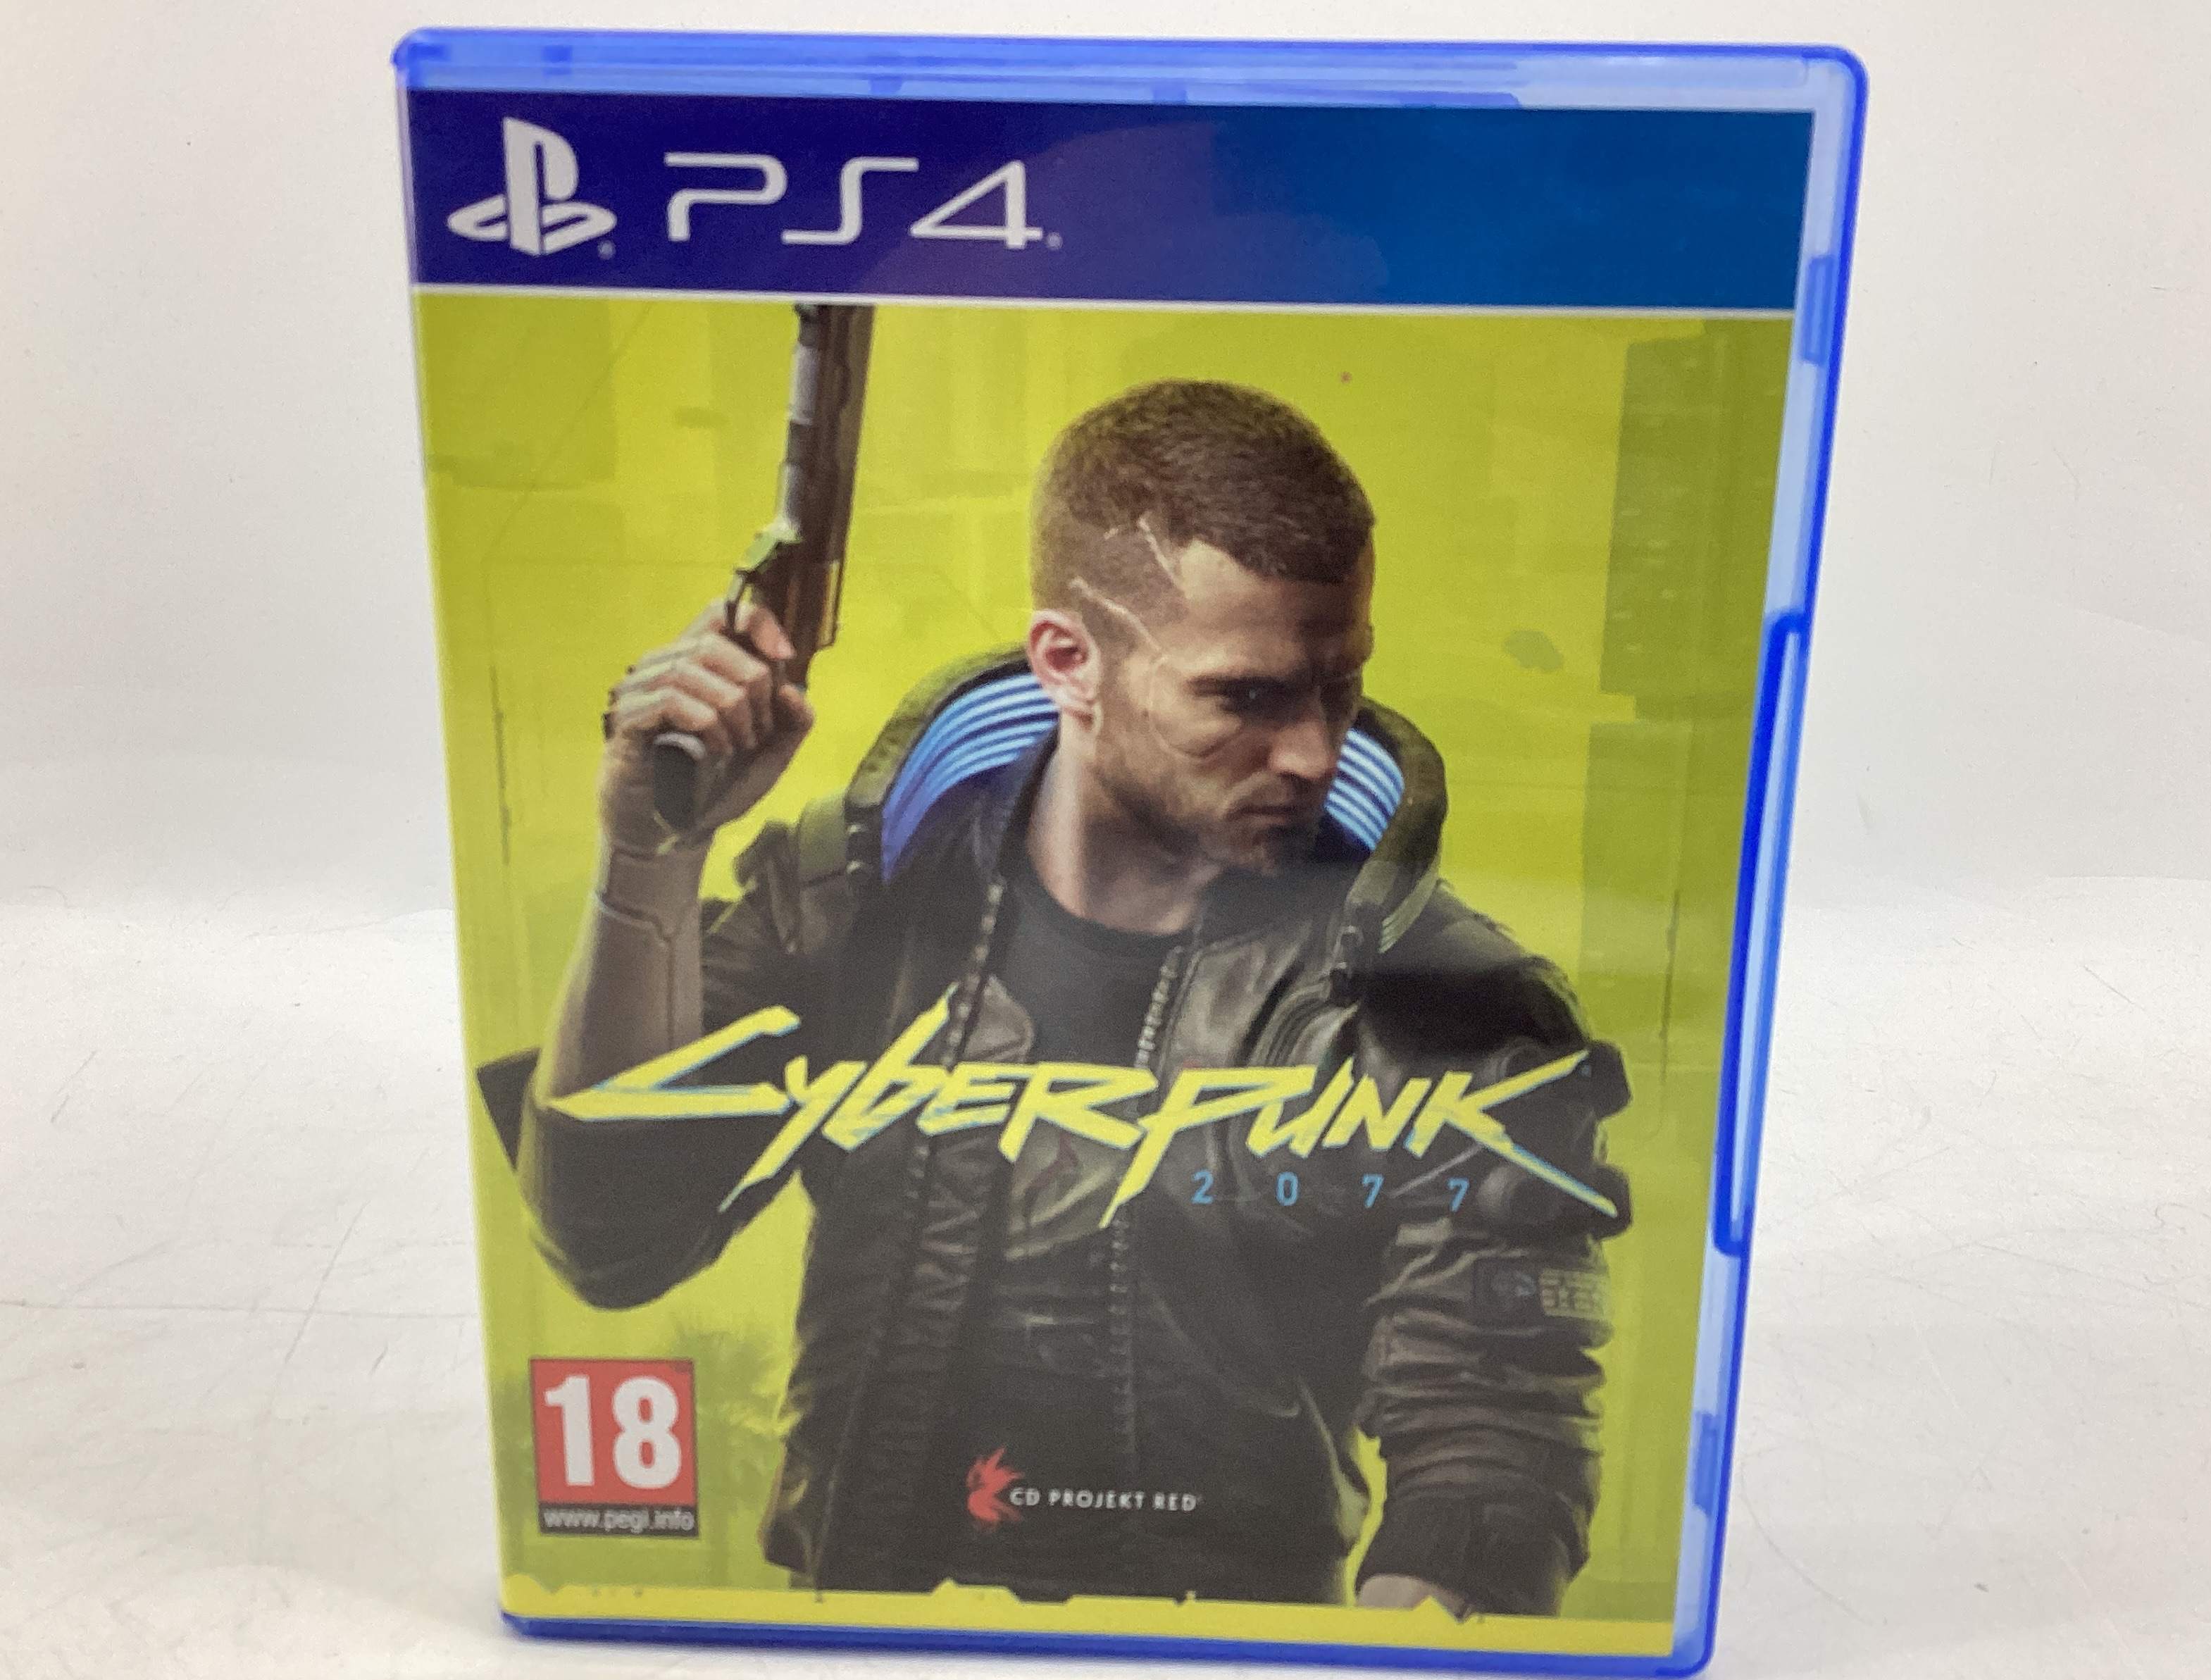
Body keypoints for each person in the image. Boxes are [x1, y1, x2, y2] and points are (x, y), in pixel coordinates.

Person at [506, 378, 1632, 1614]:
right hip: (859, 1635)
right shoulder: (852, 898)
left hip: (1234, 1651)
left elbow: (1493, 1455)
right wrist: (649, 853)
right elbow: (608, 1240)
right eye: (1244, 697)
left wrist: (1359, 1678)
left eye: (1340, 684)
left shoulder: (1451, 1005)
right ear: (1068, 663)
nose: (1316, 750)